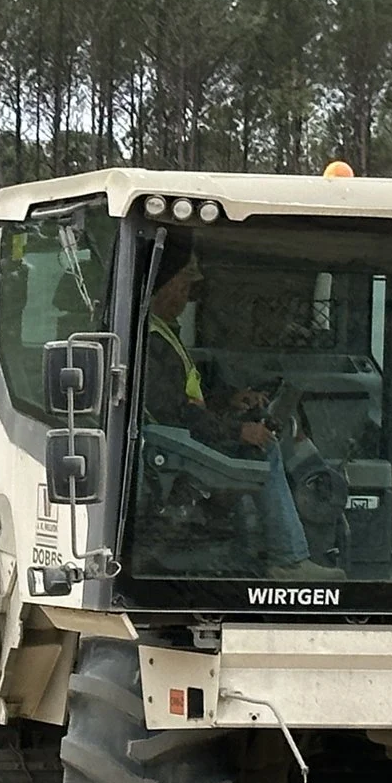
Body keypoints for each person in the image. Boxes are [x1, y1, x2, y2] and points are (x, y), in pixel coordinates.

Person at [137, 240, 312, 567]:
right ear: (162, 286)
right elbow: (177, 415)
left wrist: (229, 400)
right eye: (183, 285)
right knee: (265, 449)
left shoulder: (163, 332)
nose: (187, 296)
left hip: (186, 444)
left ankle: (253, 554)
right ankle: (289, 561)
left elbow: (188, 400)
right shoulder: (152, 342)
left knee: (257, 445)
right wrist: (239, 431)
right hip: (177, 454)